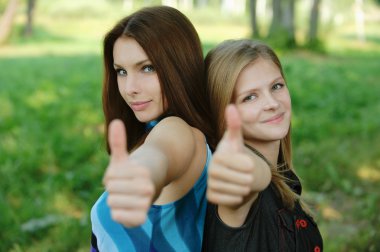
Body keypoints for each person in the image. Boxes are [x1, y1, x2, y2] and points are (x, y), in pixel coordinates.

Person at [90, 6, 215, 252]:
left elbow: (159, 155)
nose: (129, 88)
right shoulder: (154, 128)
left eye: (147, 68)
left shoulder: (178, 131)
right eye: (121, 71)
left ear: (180, 67)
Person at [202, 39, 323, 251]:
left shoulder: (284, 177)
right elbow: (249, 181)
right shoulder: (241, 190)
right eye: (249, 97)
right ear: (222, 112)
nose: (272, 103)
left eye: (276, 86)